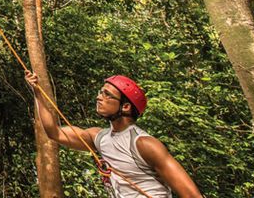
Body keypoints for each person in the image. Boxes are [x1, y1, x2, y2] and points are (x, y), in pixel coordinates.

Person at [25, 71, 202, 198]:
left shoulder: (144, 144)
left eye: (107, 95)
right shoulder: (100, 138)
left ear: (125, 107)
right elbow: (54, 132)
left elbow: (191, 195)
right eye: (101, 92)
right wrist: (37, 93)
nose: (99, 97)